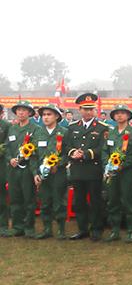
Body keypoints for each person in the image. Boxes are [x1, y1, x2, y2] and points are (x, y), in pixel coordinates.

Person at [65, 93, 108, 241]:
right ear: (80, 110)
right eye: (85, 109)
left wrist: (85, 154)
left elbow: (103, 148)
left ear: (95, 110)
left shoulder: (102, 128)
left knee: (95, 201)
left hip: (93, 170)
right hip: (77, 170)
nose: (88, 112)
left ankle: (96, 229)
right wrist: (72, 152)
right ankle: (82, 229)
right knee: (79, 202)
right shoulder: (72, 127)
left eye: (91, 109)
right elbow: (66, 145)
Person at [5, 101, 45, 237]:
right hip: (13, 170)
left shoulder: (36, 129)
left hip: (27, 169)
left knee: (29, 200)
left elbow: (36, 149)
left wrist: (24, 158)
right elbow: (7, 147)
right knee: (15, 199)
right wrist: (10, 159)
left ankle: (29, 228)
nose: (21, 112)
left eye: (24, 110)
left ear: (30, 113)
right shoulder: (12, 128)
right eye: (18, 110)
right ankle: (17, 227)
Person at [102, 104, 132, 243]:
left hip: (127, 173)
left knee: (128, 201)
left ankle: (130, 232)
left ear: (128, 116)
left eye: (122, 113)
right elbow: (105, 150)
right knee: (113, 201)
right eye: (116, 113)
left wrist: (122, 165)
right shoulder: (110, 133)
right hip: (111, 174)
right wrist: (107, 165)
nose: (119, 115)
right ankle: (115, 231)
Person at [33, 104, 69, 239]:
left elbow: (68, 153)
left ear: (57, 116)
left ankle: (61, 230)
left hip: (58, 173)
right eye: (44, 115)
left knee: (59, 201)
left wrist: (58, 164)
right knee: (45, 202)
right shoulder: (38, 133)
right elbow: (33, 156)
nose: (46, 117)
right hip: (42, 175)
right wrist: (35, 173)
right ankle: (47, 229)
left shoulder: (64, 132)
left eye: (49, 114)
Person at [0, 105, 10, 236]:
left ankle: (3, 225)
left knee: (1, 196)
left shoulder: (6, 125)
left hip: (1, 164)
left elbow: (8, 144)